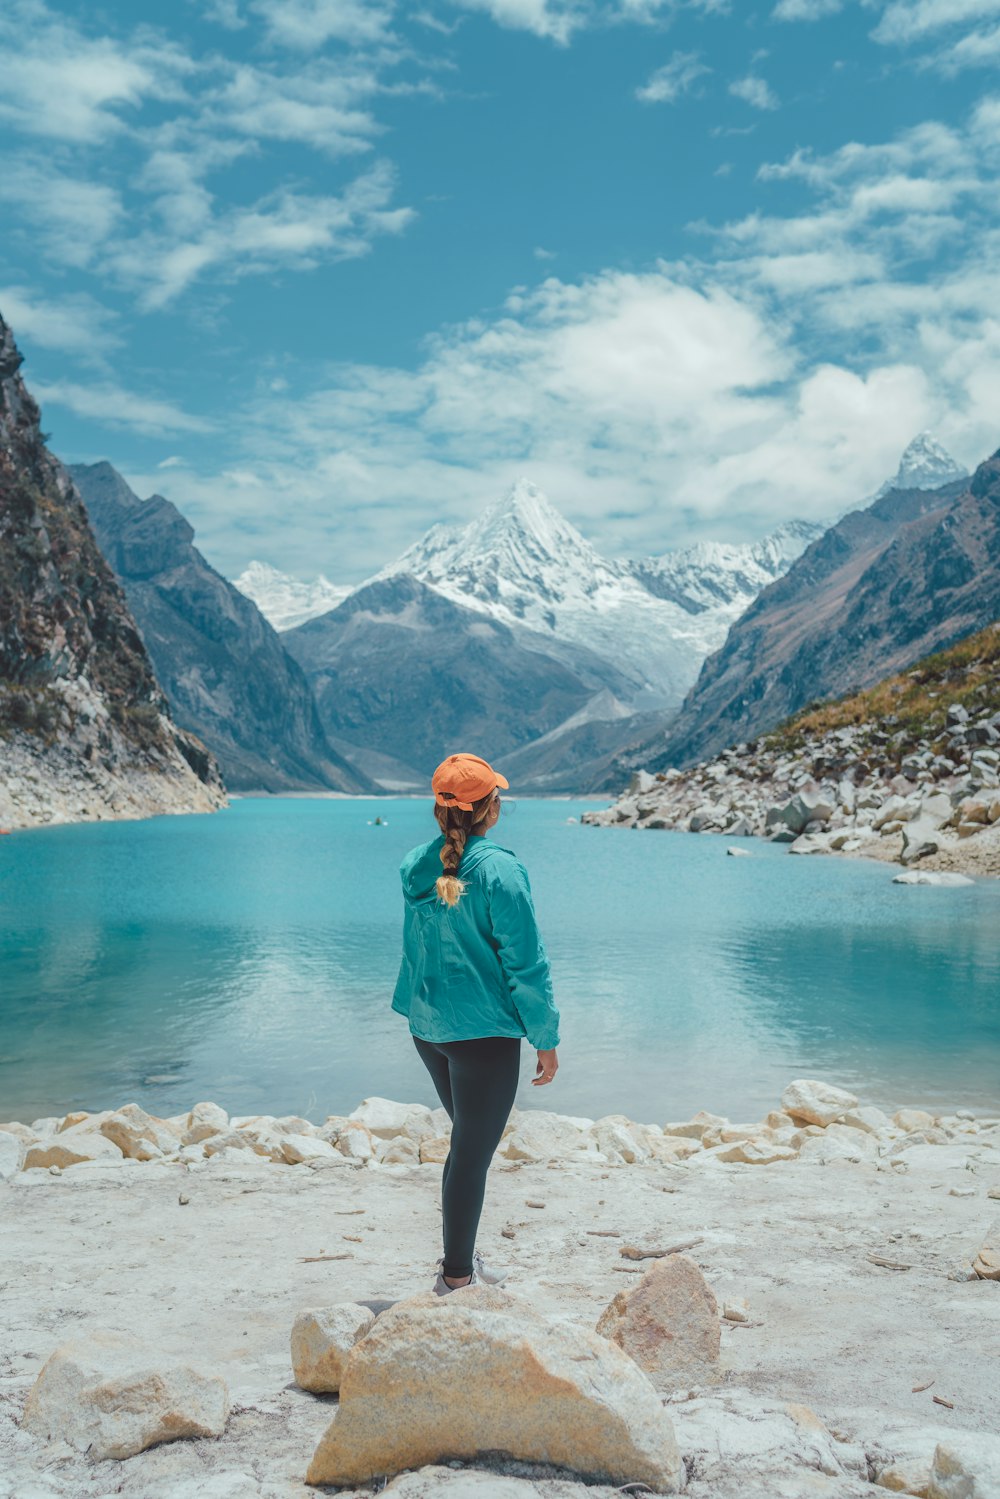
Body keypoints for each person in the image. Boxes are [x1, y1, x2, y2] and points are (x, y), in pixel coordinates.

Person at [392, 752, 561, 1295]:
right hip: (482, 1034)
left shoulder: (417, 864)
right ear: (492, 806)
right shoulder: (500, 871)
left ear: (440, 810)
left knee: (466, 1145)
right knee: (470, 1152)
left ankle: (458, 1259)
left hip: (428, 1029)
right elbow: (526, 963)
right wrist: (546, 1037)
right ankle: (457, 1277)